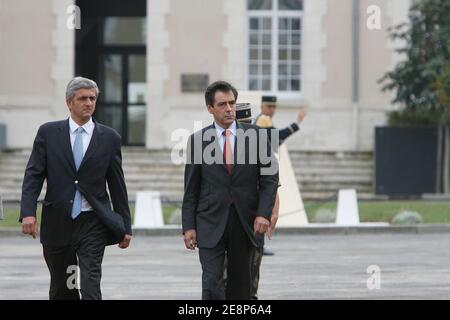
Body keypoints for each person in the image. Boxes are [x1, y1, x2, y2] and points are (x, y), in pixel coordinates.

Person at [20, 77, 132, 300]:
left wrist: (125, 226)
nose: (89, 103)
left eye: (92, 98)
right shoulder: (48, 134)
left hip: (93, 222)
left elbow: (117, 185)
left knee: (91, 285)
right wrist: (28, 213)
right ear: (69, 102)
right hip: (58, 221)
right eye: (83, 99)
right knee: (63, 289)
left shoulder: (109, 138)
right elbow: (33, 175)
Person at [182, 81, 279, 300]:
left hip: (246, 223)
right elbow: (191, 188)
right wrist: (188, 226)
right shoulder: (197, 141)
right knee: (211, 283)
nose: (229, 109)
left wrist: (264, 213)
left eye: (232, 103)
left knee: (241, 287)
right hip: (209, 222)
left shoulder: (257, 136)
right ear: (210, 109)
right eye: (223, 104)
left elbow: (270, 179)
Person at [251, 95, 307, 299]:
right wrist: (297, 123)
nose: (272, 109)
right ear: (262, 106)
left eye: (274, 106)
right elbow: (276, 138)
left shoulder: (265, 121)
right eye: (269, 106)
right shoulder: (262, 122)